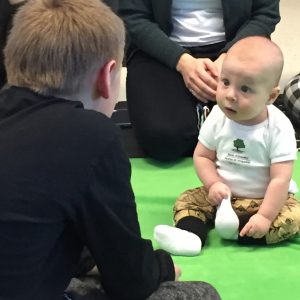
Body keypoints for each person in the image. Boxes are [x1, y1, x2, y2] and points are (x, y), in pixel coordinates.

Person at [0, 0, 221, 299]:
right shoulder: (93, 136)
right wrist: (161, 267)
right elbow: (131, 281)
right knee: (200, 293)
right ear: (108, 76)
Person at [154, 36, 300, 256]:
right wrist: (212, 184)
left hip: (263, 198)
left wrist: (265, 216)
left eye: (245, 89)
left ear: (270, 96)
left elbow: (280, 178)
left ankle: (243, 232)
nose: (230, 95)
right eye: (225, 82)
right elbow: (202, 156)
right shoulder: (217, 117)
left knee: (293, 216)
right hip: (221, 197)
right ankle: (191, 237)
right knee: (187, 199)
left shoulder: (278, 127)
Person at [118, 0, 281, 161]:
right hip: (161, 47)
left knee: (257, 137)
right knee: (163, 140)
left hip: (237, 44)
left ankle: (202, 118)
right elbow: (133, 17)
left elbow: (265, 14)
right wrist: (181, 62)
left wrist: (230, 58)